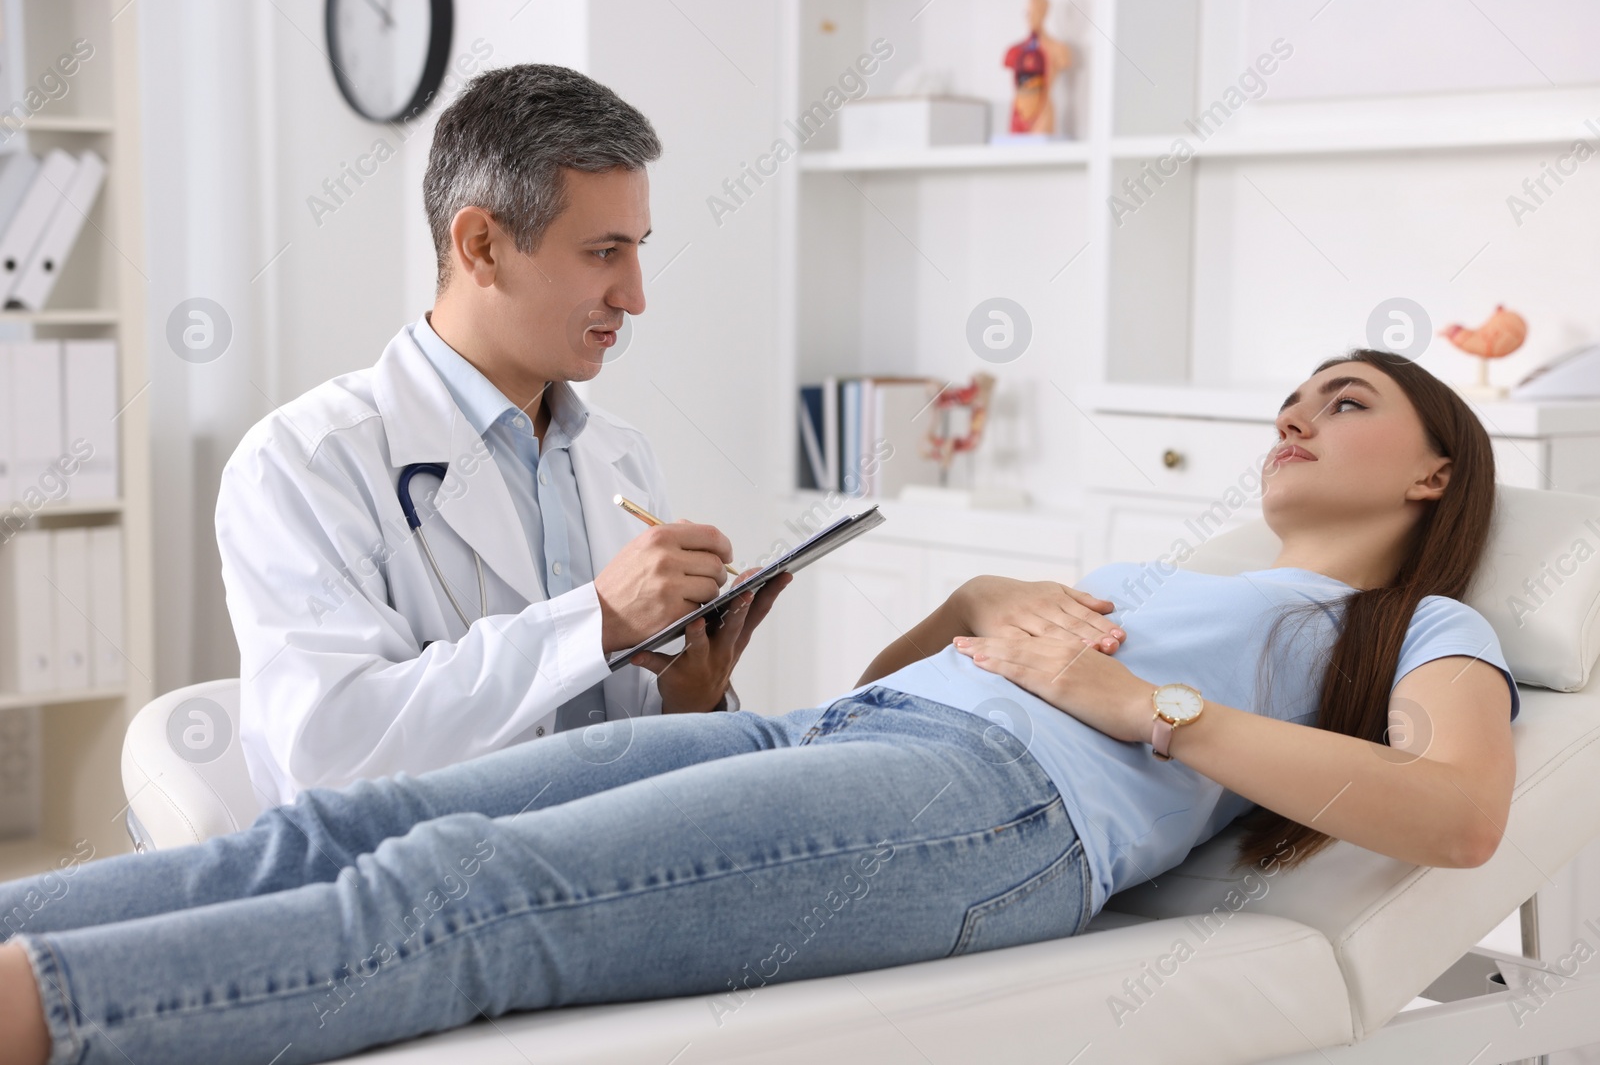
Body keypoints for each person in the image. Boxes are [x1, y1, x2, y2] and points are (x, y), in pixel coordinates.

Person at [0, 352, 1519, 1064]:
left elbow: (1462, 816)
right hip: (854, 740)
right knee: (350, 819)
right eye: (1294, 397)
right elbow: (881, 690)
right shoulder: (1172, 565)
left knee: (470, 893)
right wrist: (982, 596)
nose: (1293, 416)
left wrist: (1143, 702)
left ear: (1434, 471)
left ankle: (41, 1017)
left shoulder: (1419, 625)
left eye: (1345, 401)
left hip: (1000, 814)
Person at [214, 64, 790, 807]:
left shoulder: (619, 453)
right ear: (482, 245)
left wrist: (688, 700)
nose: (635, 296)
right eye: (604, 251)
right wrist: (598, 618)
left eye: (639, 247)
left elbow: (596, 733)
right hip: (422, 897)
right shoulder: (301, 464)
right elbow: (328, 753)